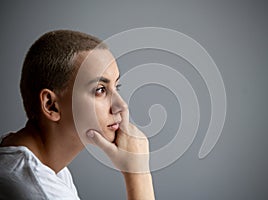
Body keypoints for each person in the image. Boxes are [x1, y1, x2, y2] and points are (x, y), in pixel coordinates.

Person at [0, 30, 155, 199]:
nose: (121, 106)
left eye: (116, 87)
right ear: (51, 106)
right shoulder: (38, 192)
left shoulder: (25, 158)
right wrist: (138, 173)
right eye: (100, 90)